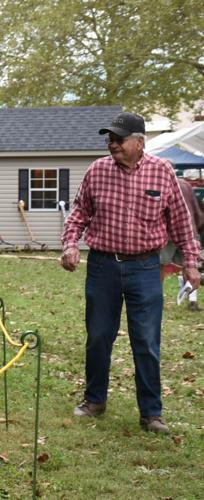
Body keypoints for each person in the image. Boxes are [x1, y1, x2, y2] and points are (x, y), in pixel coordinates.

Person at [60, 111, 201, 434]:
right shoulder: (97, 171)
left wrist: (191, 262)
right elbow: (79, 212)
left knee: (147, 341)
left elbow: (181, 221)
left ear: (140, 142)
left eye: (119, 139)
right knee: (98, 337)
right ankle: (95, 400)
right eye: (109, 139)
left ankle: (151, 413)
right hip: (102, 265)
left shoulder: (162, 172)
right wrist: (70, 244)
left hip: (145, 267)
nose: (112, 144)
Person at [159, 172, 204, 310]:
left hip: (167, 233)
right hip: (188, 230)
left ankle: (157, 299)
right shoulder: (185, 184)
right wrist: (196, 227)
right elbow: (195, 209)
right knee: (189, 265)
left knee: (159, 266)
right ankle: (192, 300)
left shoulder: (160, 183)